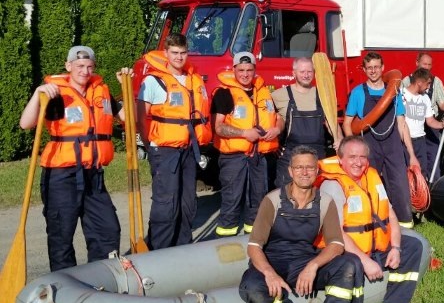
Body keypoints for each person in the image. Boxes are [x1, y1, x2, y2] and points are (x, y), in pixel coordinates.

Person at [239, 146, 356, 303]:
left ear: (317, 171)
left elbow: (336, 244)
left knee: (347, 266)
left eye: (310, 168)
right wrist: (269, 273)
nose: (304, 172)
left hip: (304, 260)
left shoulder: (325, 202)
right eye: (299, 167)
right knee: (251, 287)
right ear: (290, 172)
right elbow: (254, 246)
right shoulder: (272, 200)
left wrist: (313, 266)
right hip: (273, 261)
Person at [19, 46, 127, 271]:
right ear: (68, 66)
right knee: (61, 234)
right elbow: (26, 123)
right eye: (79, 66)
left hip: (93, 174)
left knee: (107, 230)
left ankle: (100, 279)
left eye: (89, 67)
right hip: (61, 175)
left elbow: (128, 119)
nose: (85, 71)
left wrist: (126, 87)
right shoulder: (54, 93)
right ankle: (66, 284)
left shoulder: (101, 92)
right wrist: (38, 93)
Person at [319, 136, 424, 303]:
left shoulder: (372, 176)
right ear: (340, 158)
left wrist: (396, 248)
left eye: (362, 157)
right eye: (352, 157)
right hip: (346, 252)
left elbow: (390, 215)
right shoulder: (333, 185)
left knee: (413, 246)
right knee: (350, 264)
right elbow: (334, 233)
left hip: (375, 248)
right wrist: (364, 260)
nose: (358, 163)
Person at [137, 33, 212, 250]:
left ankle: (183, 249)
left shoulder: (193, 79)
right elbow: (141, 118)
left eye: (183, 53)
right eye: (175, 53)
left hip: (188, 149)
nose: (179, 57)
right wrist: (150, 146)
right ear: (166, 54)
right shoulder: (153, 81)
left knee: (187, 203)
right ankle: (159, 250)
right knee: (166, 204)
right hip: (165, 150)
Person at [342, 52, 418, 228]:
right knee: (370, 185)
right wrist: (352, 150)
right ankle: (372, 223)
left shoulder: (393, 92)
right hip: (369, 146)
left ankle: (404, 225)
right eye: (369, 68)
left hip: (393, 145)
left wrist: (411, 154)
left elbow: (402, 123)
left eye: (376, 67)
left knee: (400, 185)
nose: (373, 71)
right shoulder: (358, 93)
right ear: (364, 70)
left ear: (383, 68)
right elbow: (347, 123)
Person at [211, 51, 281, 236]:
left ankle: (254, 241)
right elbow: (218, 127)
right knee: (232, 200)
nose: (245, 74)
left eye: (249, 70)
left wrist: (278, 129)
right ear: (234, 69)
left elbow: (278, 116)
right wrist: (244, 133)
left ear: (254, 70)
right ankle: (225, 243)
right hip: (234, 158)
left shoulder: (264, 91)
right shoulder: (224, 93)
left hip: (260, 156)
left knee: (258, 200)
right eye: (241, 70)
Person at [272, 57, 343, 188]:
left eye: (309, 72)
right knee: (286, 198)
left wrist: (340, 140)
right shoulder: (279, 95)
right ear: (294, 73)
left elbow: (331, 122)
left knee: (316, 196)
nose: (306, 75)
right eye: (302, 71)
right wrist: (273, 145)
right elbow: (269, 118)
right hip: (290, 156)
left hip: (317, 156)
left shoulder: (322, 95)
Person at [402, 53, 444, 181]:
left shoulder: (425, 97)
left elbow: (430, 119)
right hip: (406, 138)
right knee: (407, 170)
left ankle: (425, 194)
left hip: (421, 137)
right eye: (425, 64)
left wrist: (442, 124)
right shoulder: (403, 93)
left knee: (424, 168)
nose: (429, 87)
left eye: (430, 64)